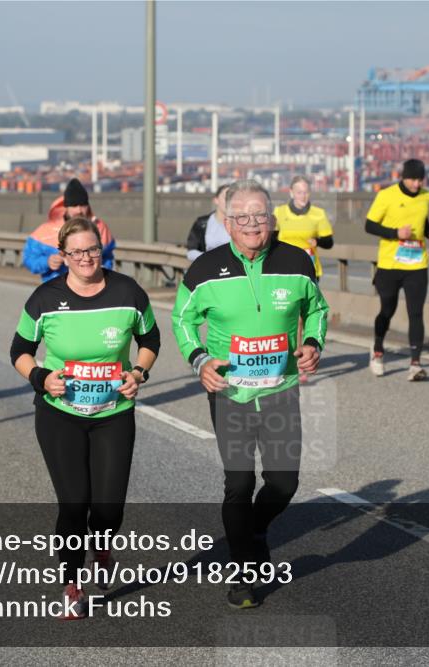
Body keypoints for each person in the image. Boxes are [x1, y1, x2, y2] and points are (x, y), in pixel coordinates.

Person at [171, 179, 329, 609]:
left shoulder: (296, 261)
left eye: (259, 216)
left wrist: (313, 343)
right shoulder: (205, 269)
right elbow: (182, 320)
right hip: (229, 392)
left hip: (280, 389)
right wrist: (200, 360)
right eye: (241, 217)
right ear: (227, 222)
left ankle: (257, 528)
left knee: (283, 483)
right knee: (238, 484)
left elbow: (316, 309)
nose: (251, 224)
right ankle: (243, 572)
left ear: (272, 220)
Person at [11, 216, 159, 619]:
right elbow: (20, 351)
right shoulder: (44, 298)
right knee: (75, 504)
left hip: (114, 413)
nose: (86, 258)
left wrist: (137, 373)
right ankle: (71, 583)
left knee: (108, 508)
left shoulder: (128, 292)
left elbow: (150, 340)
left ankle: (103, 543)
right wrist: (41, 377)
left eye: (92, 249)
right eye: (76, 252)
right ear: (64, 256)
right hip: (60, 414)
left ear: (101, 249)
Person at [364, 158, 429, 380]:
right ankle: (378, 350)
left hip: (417, 264)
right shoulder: (386, 195)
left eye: (420, 180)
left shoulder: (426, 196)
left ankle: (415, 364)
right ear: (403, 177)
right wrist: (395, 233)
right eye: (413, 180)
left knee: (416, 313)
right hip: (389, 265)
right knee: (387, 310)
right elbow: (369, 225)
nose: (417, 184)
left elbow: (422, 220)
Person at [23, 178, 115, 282]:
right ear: (66, 207)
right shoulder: (45, 230)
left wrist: (101, 270)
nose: (79, 210)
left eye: (83, 205)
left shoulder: (100, 227)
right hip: (56, 290)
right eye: (74, 205)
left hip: (91, 289)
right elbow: (29, 259)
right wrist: (47, 262)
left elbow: (108, 257)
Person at [272, 176, 335, 280]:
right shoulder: (279, 212)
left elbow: (329, 242)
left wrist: (317, 241)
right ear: (291, 193)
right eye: (299, 192)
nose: (303, 196)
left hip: (309, 266)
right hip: (284, 267)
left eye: (306, 192)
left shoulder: (318, 213)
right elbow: (271, 239)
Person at [185, 184, 231, 261]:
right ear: (216, 200)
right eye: (225, 197)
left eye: (231, 198)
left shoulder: (240, 223)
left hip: (233, 268)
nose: (228, 201)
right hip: (208, 268)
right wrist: (210, 258)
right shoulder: (202, 223)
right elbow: (191, 251)